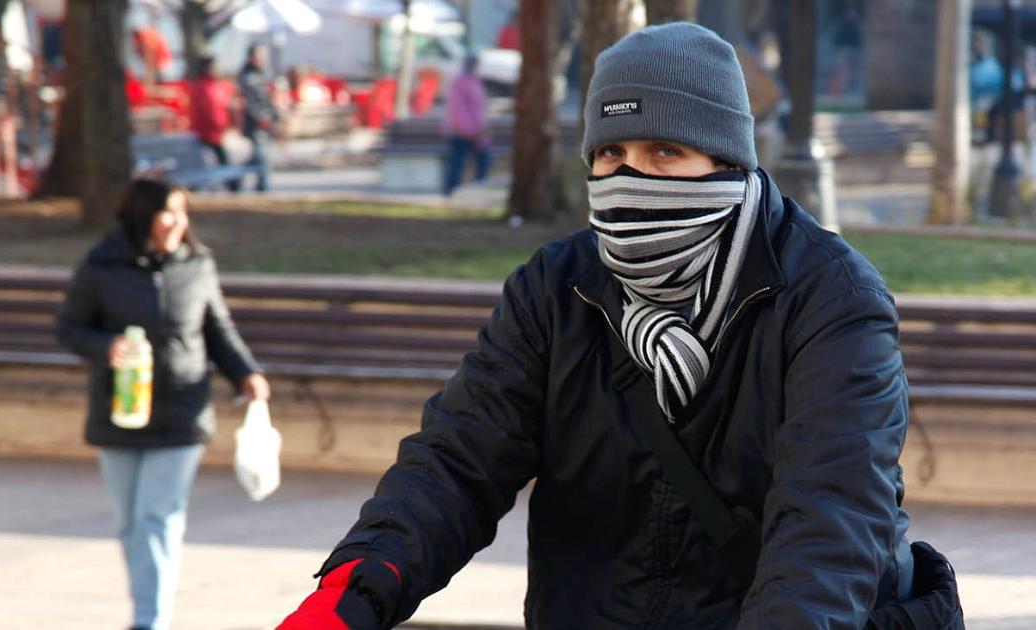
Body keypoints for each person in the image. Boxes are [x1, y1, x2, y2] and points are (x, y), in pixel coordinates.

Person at [279, 24, 964, 629]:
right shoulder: (557, 287)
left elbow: (830, 522)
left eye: (665, 151)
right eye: (612, 154)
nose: (632, 179)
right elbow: (458, 463)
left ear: (727, 162)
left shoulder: (830, 297)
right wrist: (354, 595)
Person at [56, 178, 270, 630]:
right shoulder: (102, 264)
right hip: (120, 410)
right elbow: (70, 327)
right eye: (168, 212)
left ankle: (149, 620)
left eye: (182, 212)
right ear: (143, 216)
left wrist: (246, 373)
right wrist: (107, 346)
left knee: (157, 515)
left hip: (182, 410)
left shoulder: (197, 263)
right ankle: (146, 607)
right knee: (129, 522)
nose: (177, 222)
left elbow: (217, 329)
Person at [442, 55, 491, 197]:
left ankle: (478, 192)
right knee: (457, 164)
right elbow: (458, 109)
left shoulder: (476, 81)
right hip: (460, 132)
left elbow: (479, 108)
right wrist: (470, 130)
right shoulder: (459, 82)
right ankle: (450, 194)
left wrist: (481, 129)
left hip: (477, 133)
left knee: (484, 159)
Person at [189, 56, 239, 191]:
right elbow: (208, 111)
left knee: (220, 161)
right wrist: (219, 126)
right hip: (206, 133)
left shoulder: (217, 86)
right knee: (207, 162)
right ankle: (233, 187)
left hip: (216, 133)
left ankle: (233, 187)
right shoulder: (203, 87)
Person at [237, 44, 279, 192]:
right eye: (260, 56)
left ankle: (236, 177)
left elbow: (267, 100)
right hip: (256, 124)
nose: (264, 59)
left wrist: (275, 115)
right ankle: (263, 188)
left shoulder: (260, 74)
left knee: (260, 157)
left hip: (265, 123)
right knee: (263, 157)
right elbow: (251, 102)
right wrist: (262, 118)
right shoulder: (247, 77)